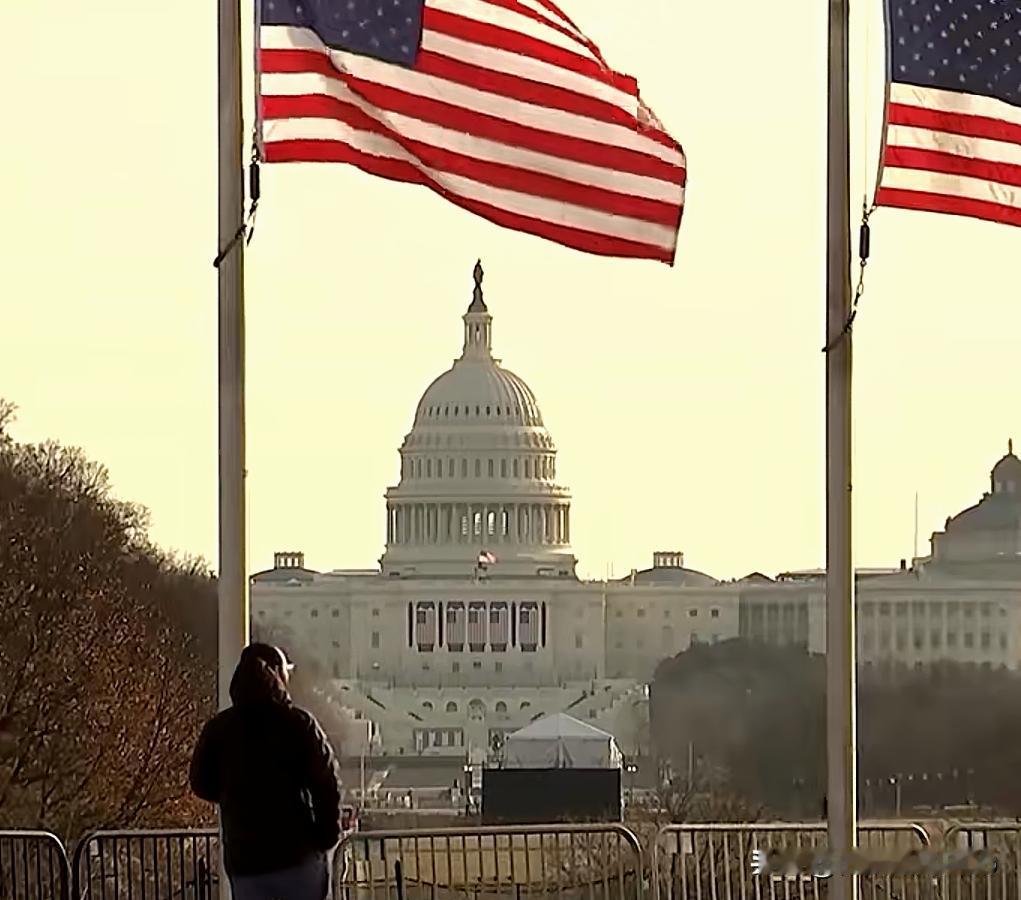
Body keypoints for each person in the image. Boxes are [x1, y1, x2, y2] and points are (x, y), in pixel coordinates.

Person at [190, 643, 342, 900]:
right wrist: (326, 836)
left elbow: (200, 782)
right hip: (297, 854)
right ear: (278, 675)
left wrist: (233, 795)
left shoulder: (219, 729)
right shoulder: (299, 724)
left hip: (246, 859)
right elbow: (326, 784)